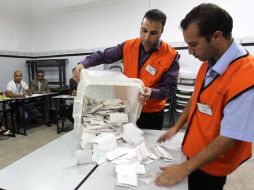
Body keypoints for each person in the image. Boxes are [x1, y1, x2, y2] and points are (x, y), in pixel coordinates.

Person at [155, 3, 254, 190]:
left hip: (212, 165)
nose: (190, 52)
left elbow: (229, 138)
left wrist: (184, 168)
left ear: (216, 36)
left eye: (193, 45)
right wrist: (176, 127)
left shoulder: (247, 77)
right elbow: (198, 97)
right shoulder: (209, 62)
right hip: (193, 152)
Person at [74, 9, 179, 130]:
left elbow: (171, 88)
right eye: (144, 30)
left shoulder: (170, 55)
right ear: (140, 26)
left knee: (147, 145)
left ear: (162, 31)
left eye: (153, 33)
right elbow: (103, 55)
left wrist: (153, 93)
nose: (146, 37)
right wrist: (82, 64)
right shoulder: (128, 46)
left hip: (151, 114)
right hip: (126, 108)